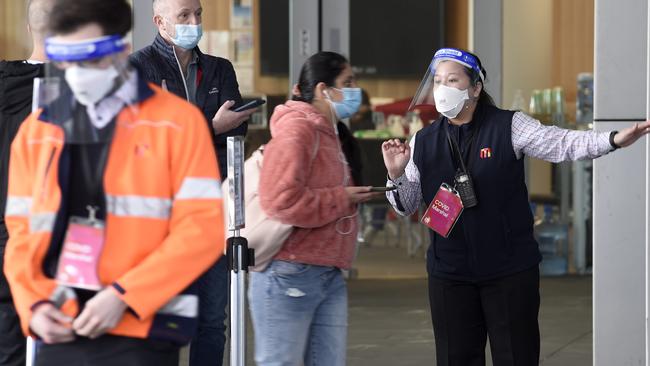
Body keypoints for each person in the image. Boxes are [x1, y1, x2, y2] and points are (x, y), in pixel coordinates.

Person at [382, 47, 650, 366]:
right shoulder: (422, 141)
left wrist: (613, 139)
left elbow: (562, 144)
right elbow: (405, 204)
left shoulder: (509, 126)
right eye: (438, 81)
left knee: (516, 356)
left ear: (476, 88)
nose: (442, 89)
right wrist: (396, 173)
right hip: (449, 274)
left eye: (452, 80)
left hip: (508, 271)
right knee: (456, 357)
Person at [3, 0, 224, 365]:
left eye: (89, 55)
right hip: (60, 324)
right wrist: (35, 304)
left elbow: (202, 230)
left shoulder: (177, 124)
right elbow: (22, 232)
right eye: (64, 57)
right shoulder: (38, 131)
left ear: (120, 49)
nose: (75, 71)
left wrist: (124, 295)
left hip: (143, 327)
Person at [129, 2, 255, 364]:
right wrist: (210, 127)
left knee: (213, 321)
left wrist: (183, 126)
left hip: (212, 209)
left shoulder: (219, 68)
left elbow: (239, 125)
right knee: (162, 318)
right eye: (184, 15)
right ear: (160, 21)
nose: (194, 22)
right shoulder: (139, 68)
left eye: (198, 13)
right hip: (160, 214)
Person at [250, 51, 379, 366]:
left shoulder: (331, 133)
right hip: (290, 273)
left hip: (327, 273)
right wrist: (342, 198)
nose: (355, 90)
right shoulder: (299, 130)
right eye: (347, 83)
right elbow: (280, 200)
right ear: (324, 90)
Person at [0, 1, 52, 364]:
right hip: (60, 233)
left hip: (5, 229)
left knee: (8, 333)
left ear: (31, 28)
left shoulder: (4, 82)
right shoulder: (81, 91)